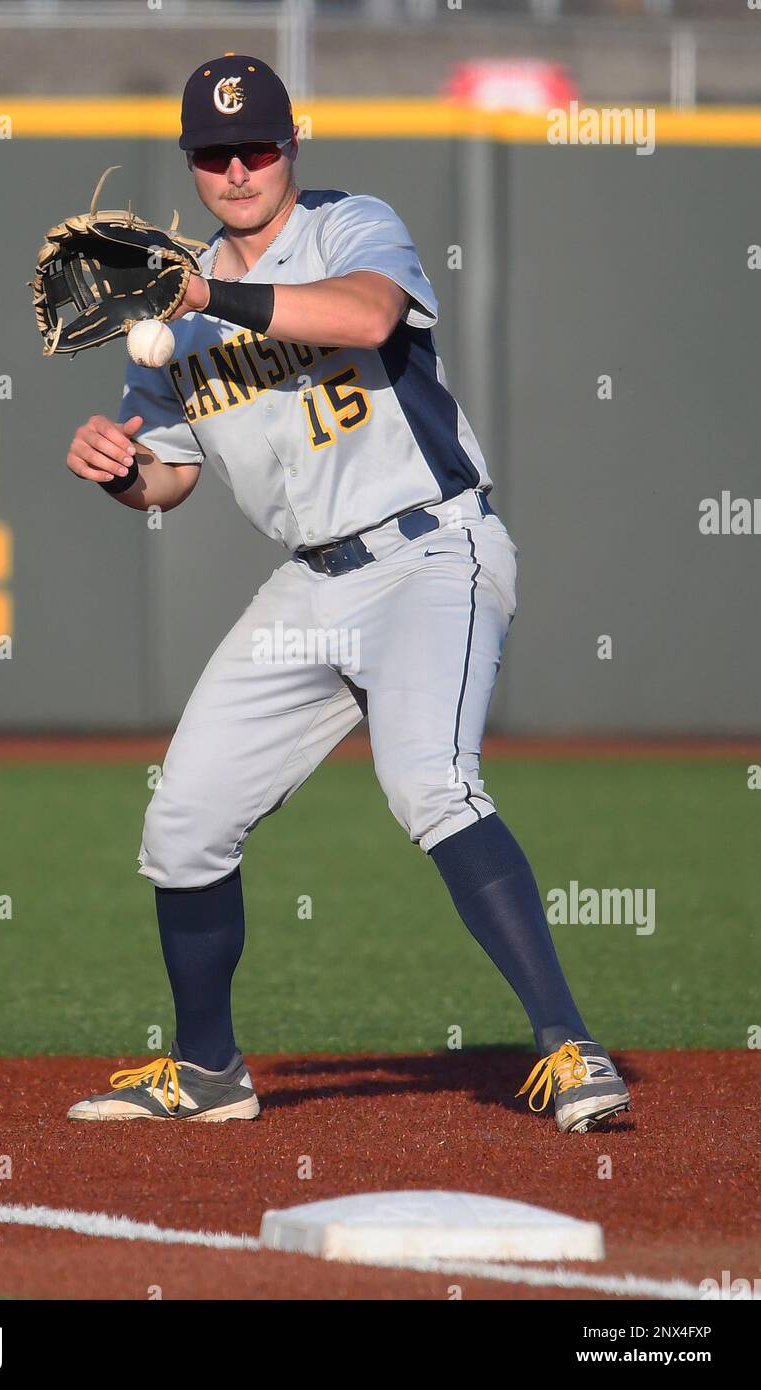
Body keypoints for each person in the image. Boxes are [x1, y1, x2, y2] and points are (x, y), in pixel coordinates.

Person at [64, 53, 630, 1135]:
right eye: (213, 154)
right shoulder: (169, 318)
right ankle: (210, 1068)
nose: (237, 169)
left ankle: (569, 1046)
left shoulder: (348, 225)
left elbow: (368, 318)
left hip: (431, 554)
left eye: (256, 146)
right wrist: (117, 468)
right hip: (308, 585)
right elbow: (168, 481)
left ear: (290, 147)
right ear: (191, 166)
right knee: (183, 822)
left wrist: (201, 292)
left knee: (430, 784)